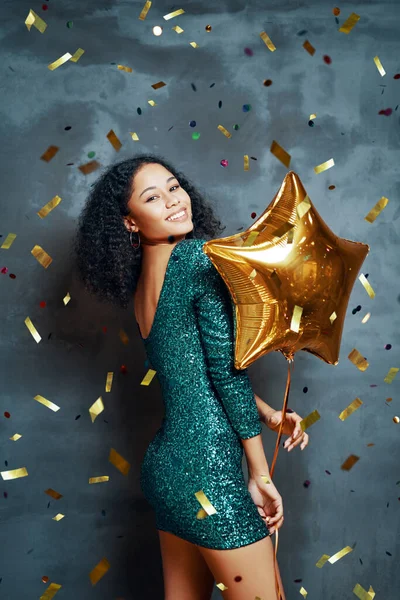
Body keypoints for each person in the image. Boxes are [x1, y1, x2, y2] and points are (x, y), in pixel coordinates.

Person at [73, 154, 309, 600]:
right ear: (129, 222)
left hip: (167, 471)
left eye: (174, 186)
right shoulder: (197, 259)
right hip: (208, 473)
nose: (173, 201)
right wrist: (259, 475)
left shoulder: (144, 283)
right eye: (152, 197)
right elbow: (228, 374)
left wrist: (268, 416)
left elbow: (193, 374)